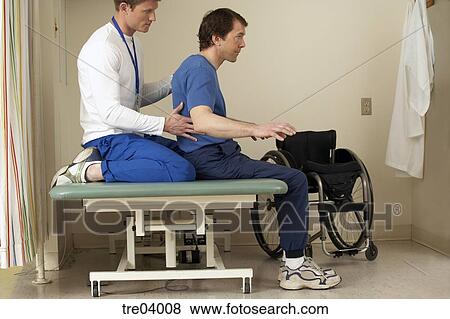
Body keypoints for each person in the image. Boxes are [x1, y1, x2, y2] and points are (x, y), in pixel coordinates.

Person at [171, 8, 341, 290]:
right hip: (212, 159)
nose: (243, 44)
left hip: (209, 155)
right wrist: (254, 130)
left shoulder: (191, 65)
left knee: (288, 177)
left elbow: (212, 119)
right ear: (217, 38)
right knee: (295, 180)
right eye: (238, 37)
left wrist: (258, 126)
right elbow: (202, 122)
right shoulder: (202, 69)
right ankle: (295, 268)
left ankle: (295, 261)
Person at [51, 0, 196, 187]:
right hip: (108, 139)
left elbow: (134, 95)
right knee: (182, 170)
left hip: (131, 135)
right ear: (124, 7)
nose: (153, 17)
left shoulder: (133, 43)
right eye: (147, 11)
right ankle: (89, 170)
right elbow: (110, 112)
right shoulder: (103, 47)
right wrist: (163, 124)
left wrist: (175, 80)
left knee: (195, 159)